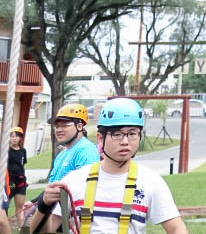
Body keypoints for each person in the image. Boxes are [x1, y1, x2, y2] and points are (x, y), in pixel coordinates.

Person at [28, 97, 186, 233]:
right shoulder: (75, 180)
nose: (125, 141)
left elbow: (176, 228)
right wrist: (43, 205)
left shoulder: (151, 182)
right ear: (100, 138)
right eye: (117, 134)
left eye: (132, 133)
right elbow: (40, 231)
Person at [46, 103, 100, 184]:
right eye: (57, 126)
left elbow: (87, 187)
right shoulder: (62, 154)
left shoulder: (86, 151)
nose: (59, 130)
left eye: (64, 125)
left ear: (79, 126)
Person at [6, 128, 27, 227]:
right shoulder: (6, 150)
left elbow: (22, 164)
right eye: (12, 136)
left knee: (20, 205)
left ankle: (21, 227)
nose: (14, 138)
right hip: (9, 181)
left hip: (21, 181)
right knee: (5, 205)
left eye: (17, 136)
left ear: (20, 138)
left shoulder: (23, 151)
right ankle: (3, 225)